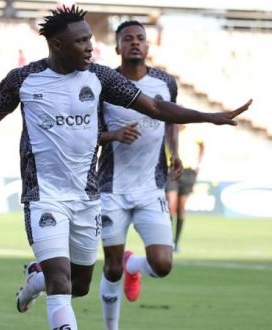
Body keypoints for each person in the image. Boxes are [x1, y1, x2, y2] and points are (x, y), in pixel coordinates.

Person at [0, 5, 250, 330]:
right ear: (58, 46)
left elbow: (155, 108)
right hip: (44, 197)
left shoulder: (99, 77)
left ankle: (35, 281)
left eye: (90, 40)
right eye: (81, 42)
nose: (90, 47)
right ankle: (47, 279)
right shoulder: (23, 80)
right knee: (61, 284)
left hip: (87, 198)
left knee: (77, 286)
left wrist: (209, 117)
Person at [96, 20, 183, 330]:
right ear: (117, 47)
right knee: (111, 269)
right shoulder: (103, 84)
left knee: (162, 264)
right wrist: (114, 135)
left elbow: (171, 118)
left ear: (148, 46)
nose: (135, 43)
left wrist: (174, 151)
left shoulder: (165, 83)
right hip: (111, 190)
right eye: (127, 39)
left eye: (140, 38)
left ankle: (135, 265)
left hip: (151, 189)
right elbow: (88, 133)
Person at [165, 124, 204, 253]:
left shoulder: (193, 132)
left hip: (187, 172)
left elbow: (202, 145)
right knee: (171, 205)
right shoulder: (168, 131)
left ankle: (177, 241)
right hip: (171, 171)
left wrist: (198, 163)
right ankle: (167, 240)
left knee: (181, 208)